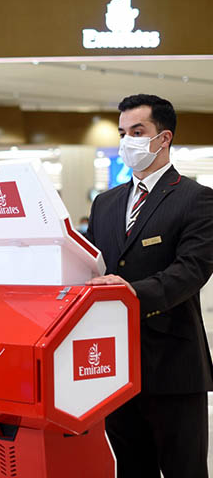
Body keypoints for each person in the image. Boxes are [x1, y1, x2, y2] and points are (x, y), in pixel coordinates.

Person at [85, 94, 213, 478]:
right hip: (114, 364)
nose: (128, 142)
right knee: (131, 466)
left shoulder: (196, 200)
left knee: (183, 468)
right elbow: (94, 266)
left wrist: (128, 293)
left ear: (164, 137)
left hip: (173, 363)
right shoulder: (105, 204)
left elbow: (191, 271)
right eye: (123, 132)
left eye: (138, 132)